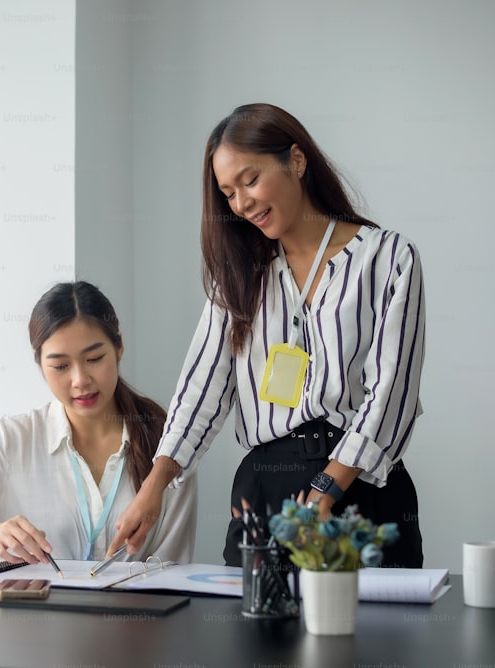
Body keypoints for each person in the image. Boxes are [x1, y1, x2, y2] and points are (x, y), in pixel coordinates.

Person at [108, 103, 425, 568]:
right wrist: (152, 489)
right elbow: (202, 389)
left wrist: (326, 488)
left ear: (296, 160)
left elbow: (392, 394)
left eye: (250, 180)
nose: (241, 203)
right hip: (267, 497)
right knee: (258, 640)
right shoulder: (239, 276)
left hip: (361, 491)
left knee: (374, 638)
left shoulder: (387, 259)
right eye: (228, 193)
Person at [0, 281, 196, 565]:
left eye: (94, 358)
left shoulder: (169, 443)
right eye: (60, 366)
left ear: (119, 346)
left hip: (141, 611)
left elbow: (171, 566)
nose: (80, 380)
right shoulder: (15, 438)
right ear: (40, 365)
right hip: (37, 611)